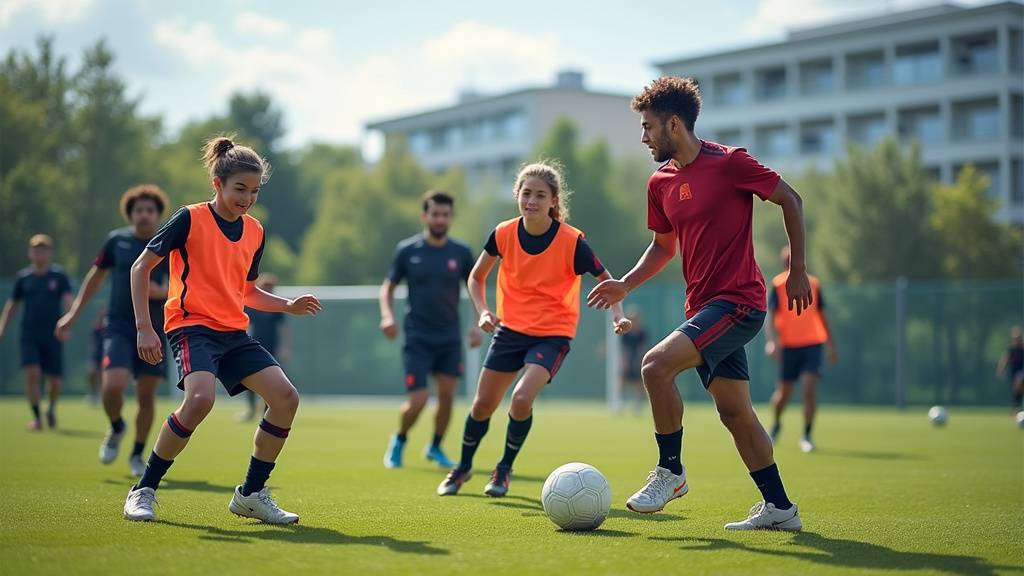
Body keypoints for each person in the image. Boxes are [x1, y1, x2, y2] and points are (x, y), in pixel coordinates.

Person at [588, 77, 811, 531]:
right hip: (703, 310)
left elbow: (790, 199)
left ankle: (670, 472)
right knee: (734, 412)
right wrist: (624, 285)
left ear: (674, 124)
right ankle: (781, 509)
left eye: (648, 127)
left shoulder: (731, 163)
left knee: (654, 366)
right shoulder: (660, 182)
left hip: (740, 303)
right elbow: (663, 248)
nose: (644, 137)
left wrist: (800, 270)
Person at [121, 135, 321, 524]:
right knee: (199, 401)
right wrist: (144, 327)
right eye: (239, 189)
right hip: (190, 326)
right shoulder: (188, 218)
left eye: (254, 191)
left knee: (285, 398)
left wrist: (287, 305)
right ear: (218, 184)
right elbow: (140, 268)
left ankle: (251, 494)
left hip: (233, 333)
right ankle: (142, 490)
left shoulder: (255, 231)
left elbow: (246, 291)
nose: (246, 197)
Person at [437, 161, 631, 498]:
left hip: (554, 333)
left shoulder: (572, 243)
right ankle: (463, 468)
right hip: (510, 330)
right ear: (517, 195)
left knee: (522, 398)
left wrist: (617, 314)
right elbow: (476, 276)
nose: (532, 201)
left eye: (540, 195)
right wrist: (483, 312)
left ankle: (504, 468)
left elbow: (608, 281)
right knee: (482, 405)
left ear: (554, 201)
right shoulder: (503, 233)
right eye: (526, 193)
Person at [56, 185, 171, 476]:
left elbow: (184, 283)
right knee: (113, 387)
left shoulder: (168, 243)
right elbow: (95, 278)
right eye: (138, 210)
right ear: (130, 213)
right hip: (119, 326)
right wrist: (72, 315)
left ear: (158, 214)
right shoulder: (116, 241)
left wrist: (165, 290)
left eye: (149, 210)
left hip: (155, 330)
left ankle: (136, 454)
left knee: (146, 396)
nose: (144, 215)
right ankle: (117, 427)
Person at [380, 191, 481, 469]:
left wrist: (476, 324)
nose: (440, 219)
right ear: (425, 216)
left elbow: (475, 288)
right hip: (417, 337)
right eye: (435, 214)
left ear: (451, 217)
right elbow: (387, 288)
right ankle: (399, 439)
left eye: (445, 214)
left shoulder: (461, 253)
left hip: (449, 337)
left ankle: (435, 447)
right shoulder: (408, 250)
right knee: (420, 399)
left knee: (448, 396)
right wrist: (387, 317)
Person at [765, 245, 837, 453]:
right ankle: (776, 424)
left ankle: (807, 435)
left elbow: (821, 315)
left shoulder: (813, 283)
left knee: (808, 388)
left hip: (813, 344)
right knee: (784, 393)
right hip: (789, 346)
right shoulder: (778, 285)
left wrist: (831, 344)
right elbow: (769, 317)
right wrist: (771, 341)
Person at [0, 234, 73, 430]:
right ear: (29, 253)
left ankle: (50, 408)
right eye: (35, 249)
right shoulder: (23, 278)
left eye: (43, 250)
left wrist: (69, 323)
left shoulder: (59, 276)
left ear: (49, 253)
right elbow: (12, 305)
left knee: (55, 381)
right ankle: (37, 418)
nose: (39, 253)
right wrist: (2, 329)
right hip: (29, 334)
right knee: (32, 373)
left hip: (53, 335)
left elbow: (69, 301)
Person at [240, 274, 289, 422]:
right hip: (253, 345)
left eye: (271, 287)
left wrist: (285, 347)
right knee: (248, 379)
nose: (269, 289)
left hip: (271, 347)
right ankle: (251, 409)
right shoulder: (252, 305)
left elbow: (284, 329)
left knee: (271, 382)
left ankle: (266, 412)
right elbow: (245, 325)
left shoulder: (276, 307)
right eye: (266, 287)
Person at [620, 306, 649, 415]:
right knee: (622, 381)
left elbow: (643, 348)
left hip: (638, 361)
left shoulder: (642, 333)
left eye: (635, 319)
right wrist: (624, 362)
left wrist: (640, 361)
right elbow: (624, 349)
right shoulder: (626, 334)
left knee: (638, 383)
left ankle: (638, 406)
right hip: (628, 361)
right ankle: (620, 403)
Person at [997, 326, 1024, 414]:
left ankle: (1017, 407)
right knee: (1015, 390)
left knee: (1018, 384)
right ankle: (1016, 407)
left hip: (1021, 371)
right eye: (1014, 338)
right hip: (1013, 372)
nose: (1016, 340)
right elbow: (1005, 359)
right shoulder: (1011, 349)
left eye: (1017, 338)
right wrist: (1001, 369)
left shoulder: (1022, 349)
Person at [86, 304, 107, 406]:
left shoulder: (110, 329)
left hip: (106, 356)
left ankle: (104, 395)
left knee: (105, 375)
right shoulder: (97, 329)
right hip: (96, 355)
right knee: (91, 372)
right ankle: (93, 394)